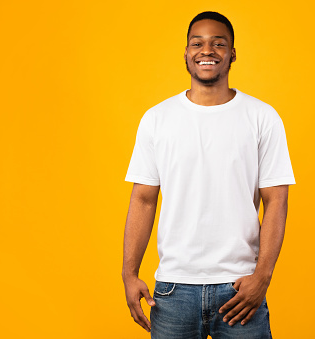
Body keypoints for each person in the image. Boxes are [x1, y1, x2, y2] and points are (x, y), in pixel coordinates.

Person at [122, 11, 296, 339]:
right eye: (197, 43)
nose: (207, 50)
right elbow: (143, 200)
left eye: (219, 43)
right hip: (174, 290)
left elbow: (277, 201)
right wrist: (129, 273)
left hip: (240, 288)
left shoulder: (262, 117)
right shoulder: (157, 119)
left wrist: (262, 277)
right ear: (186, 53)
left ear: (232, 53)